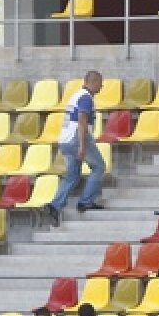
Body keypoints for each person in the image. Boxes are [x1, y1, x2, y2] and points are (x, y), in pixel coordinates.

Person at [43, 70, 106, 226]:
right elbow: (82, 122)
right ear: (94, 81)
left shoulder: (76, 95)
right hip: (77, 139)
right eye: (100, 83)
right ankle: (86, 201)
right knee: (99, 167)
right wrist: (83, 146)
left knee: (72, 176)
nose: (102, 86)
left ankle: (55, 205)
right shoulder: (86, 98)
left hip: (65, 140)